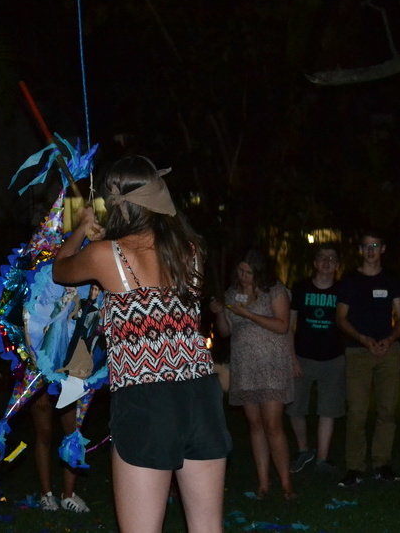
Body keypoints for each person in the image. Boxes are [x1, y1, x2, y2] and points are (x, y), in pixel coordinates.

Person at [53, 156, 232, 533]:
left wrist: (83, 226)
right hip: (201, 394)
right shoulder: (192, 251)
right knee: (207, 528)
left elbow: (60, 269)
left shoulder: (106, 256)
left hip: (148, 399)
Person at [210, 248, 295, 500]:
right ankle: (263, 484)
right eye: (241, 271)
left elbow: (282, 325)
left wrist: (248, 314)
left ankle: (287, 484)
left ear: (259, 271)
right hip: (245, 365)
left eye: (249, 272)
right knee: (255, 425)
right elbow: (225, 331)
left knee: (272, 424)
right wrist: (219, 313)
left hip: (271, 365)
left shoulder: (274, 290)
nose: (244, 276)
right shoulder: (232, 293)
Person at [335, 230, 400, 487]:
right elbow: (340, 317)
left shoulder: (391, 281)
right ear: (361, 250)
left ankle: (381, 463)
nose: (370, 250)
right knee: (357, 413)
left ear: (383, 249)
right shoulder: (350, 280)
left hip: (388, 352)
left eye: (375, 245)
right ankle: (354, 468)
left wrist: (391, 338)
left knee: (387, 411)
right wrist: (364, 340)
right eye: (366, 246)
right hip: (358, 352)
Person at [286, 243, 345, 474]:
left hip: (333, 358)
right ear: (314, 263)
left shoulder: (342, 291)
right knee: (295, 407)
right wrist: (291, 357)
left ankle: (322, 458)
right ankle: (304, 451)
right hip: (303, 356)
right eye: (322, 257)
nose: (326, 262)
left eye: (331, 258)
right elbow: (290, 325)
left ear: (337, 265)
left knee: (328, 409)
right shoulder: (300, 288)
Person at [30, 393, 90, 513]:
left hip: (70, 377)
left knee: (73, 432)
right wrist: (40, 390)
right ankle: (46, 494)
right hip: (42, 379)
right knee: (44, 432)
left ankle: (68, 496)